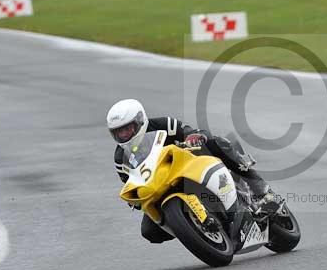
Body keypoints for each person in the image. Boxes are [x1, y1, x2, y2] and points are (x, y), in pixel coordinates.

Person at [106, 98, 282, 244]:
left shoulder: (162, 124)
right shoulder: (120, 157)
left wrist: (194, 136)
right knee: (149, 232)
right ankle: (193, 228)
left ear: (140, 120)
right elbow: (130, 181)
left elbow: (189, 131)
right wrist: (135, 200)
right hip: (160, 186)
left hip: (190, 164)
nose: (124, 135)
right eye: (119, 132)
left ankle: (261, 190)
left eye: (127, 129)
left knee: (214, 141)